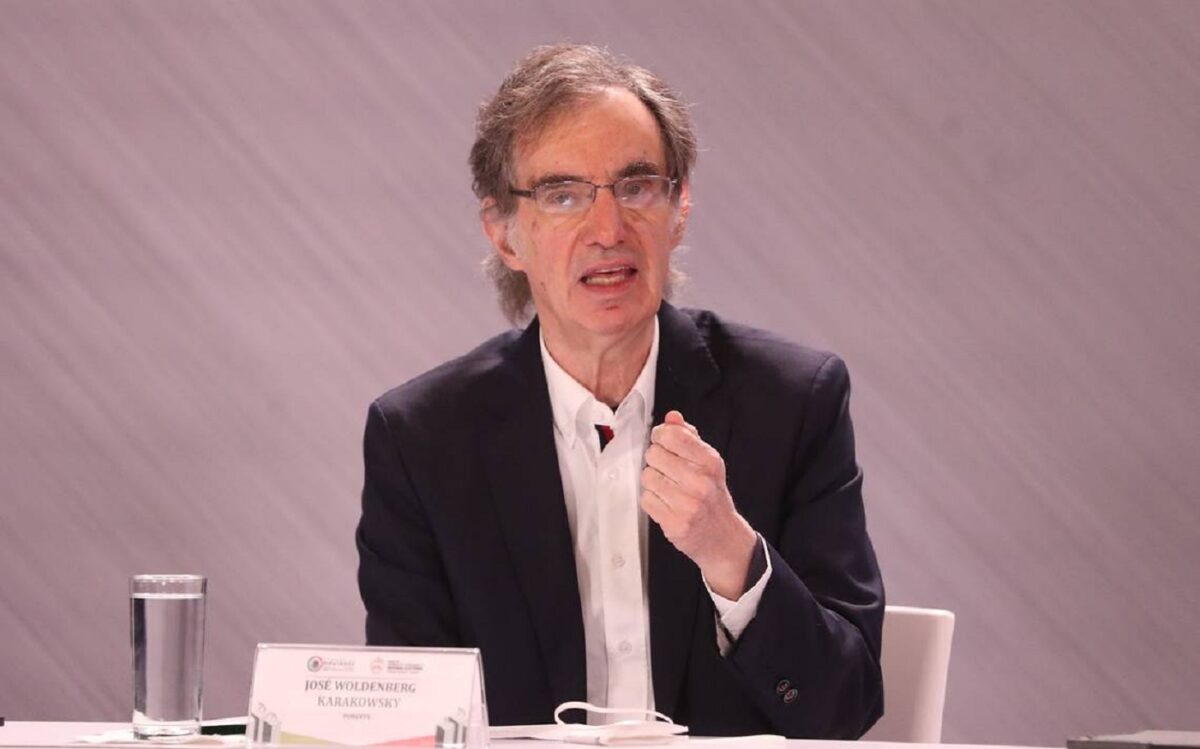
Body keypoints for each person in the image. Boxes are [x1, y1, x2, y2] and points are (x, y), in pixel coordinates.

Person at [356, 44, 884, 739]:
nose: (608, 231)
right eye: (563, 195)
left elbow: (843, 708)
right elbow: (408, 726)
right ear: (505, 235)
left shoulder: (791, 403)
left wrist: (732, 555)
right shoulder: (424, 439)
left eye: (636, 188)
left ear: (679, 210)